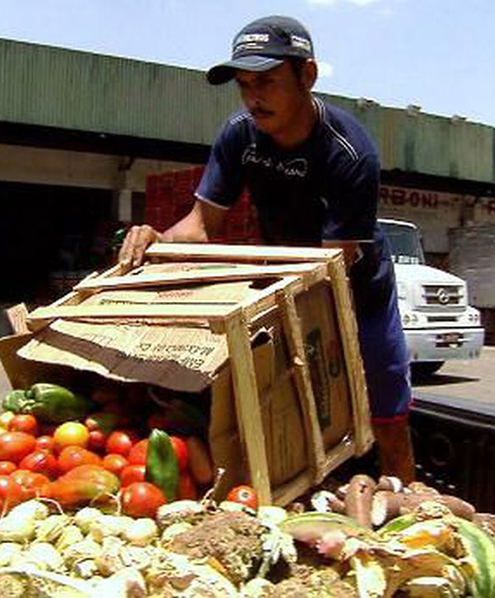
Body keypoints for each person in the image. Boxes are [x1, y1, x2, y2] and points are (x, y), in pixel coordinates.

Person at [119, 15, 415, 481]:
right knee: (287, 408)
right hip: (285, 281)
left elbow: (336, 260)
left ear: (308, 76)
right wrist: (158, 240)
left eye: (267, 82)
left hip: (357, 290)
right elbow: (200, 224)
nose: (253, 98)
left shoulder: (350, 152)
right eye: (243, 85)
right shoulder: (240, 135)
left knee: (386, 411)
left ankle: (410, 501)